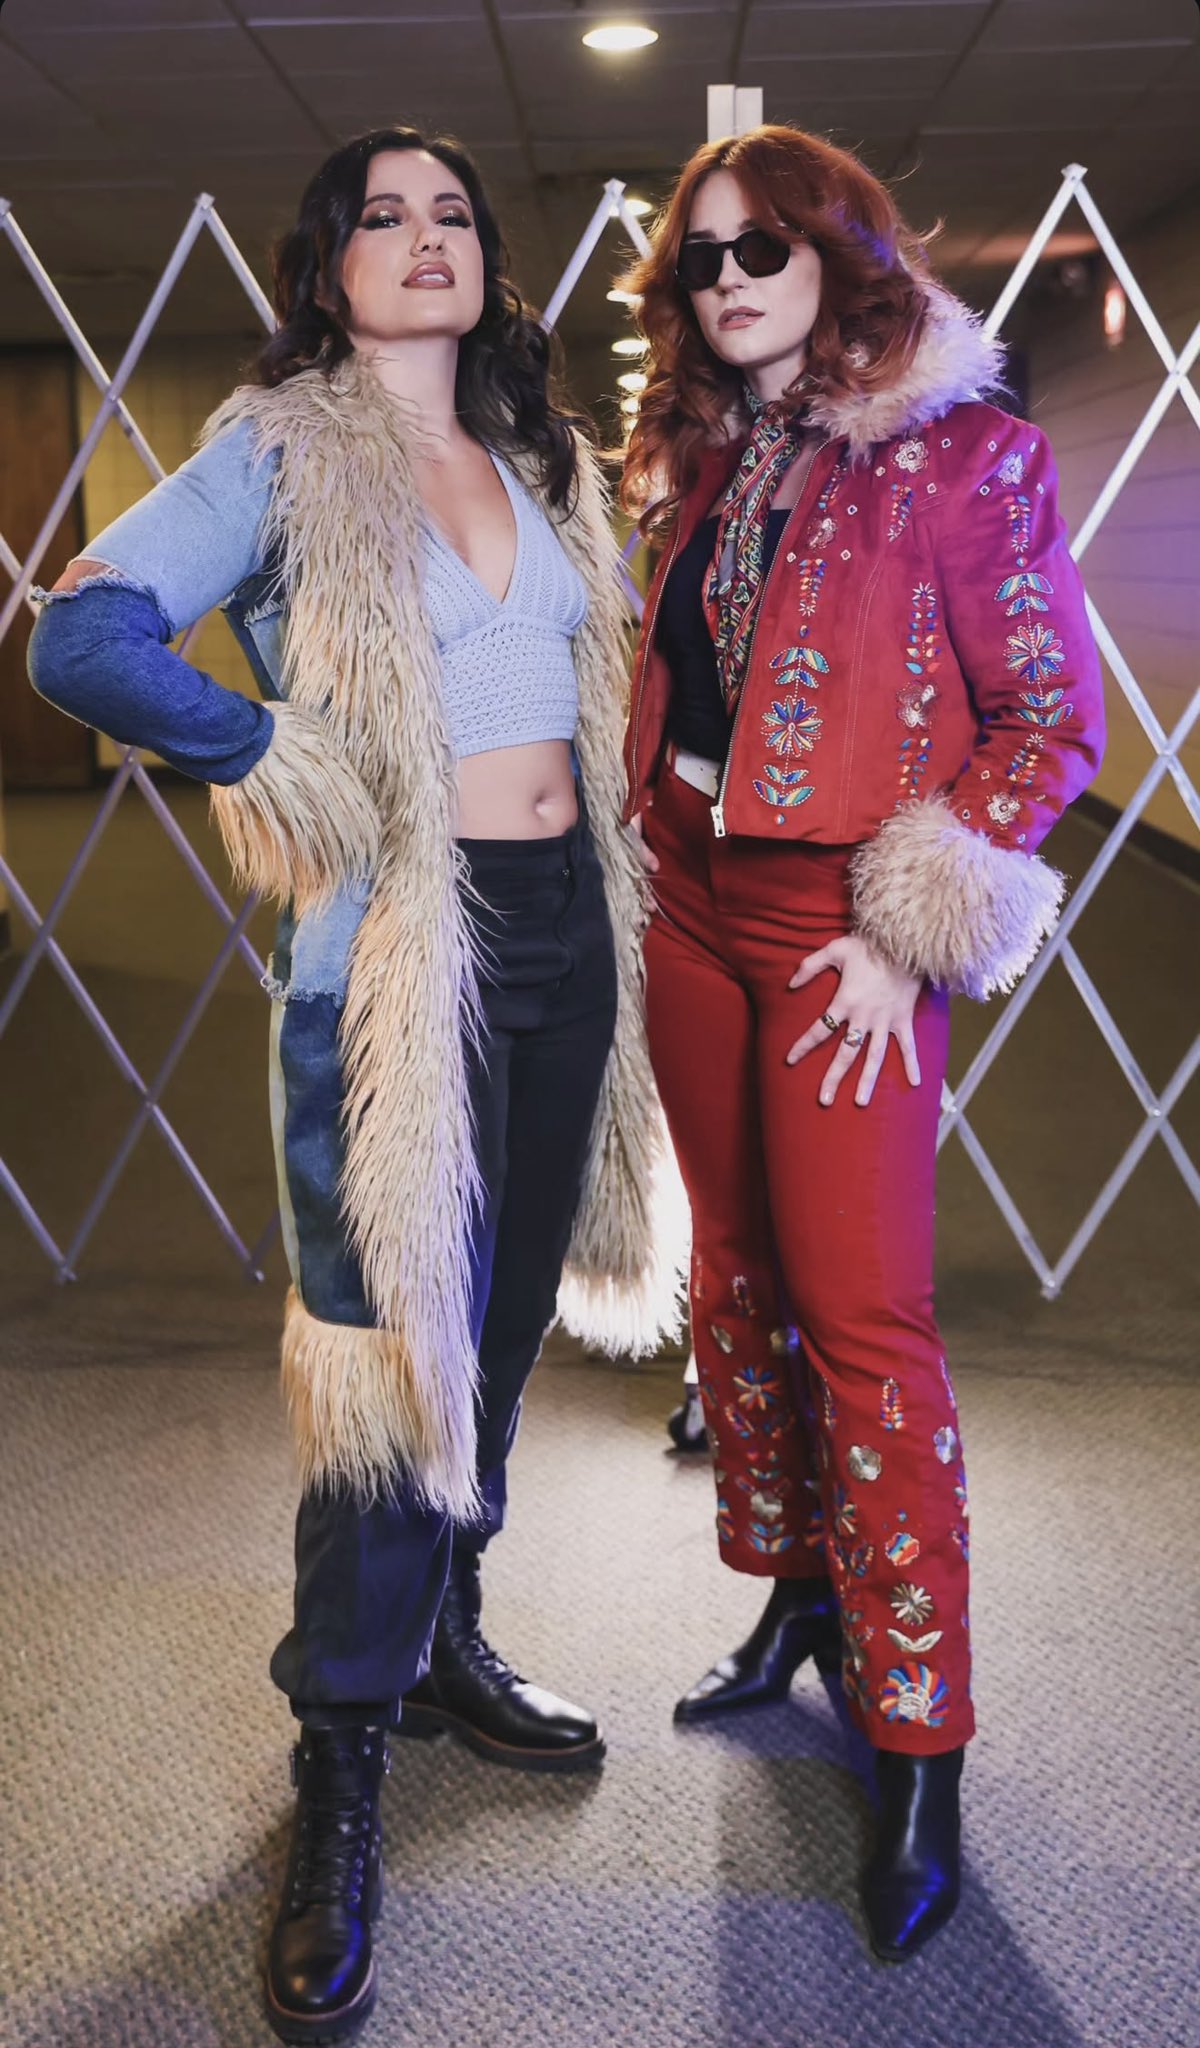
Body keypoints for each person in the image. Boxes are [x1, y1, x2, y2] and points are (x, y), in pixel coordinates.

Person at [29, 126, 678, 2044]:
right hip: (401, 952)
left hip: (566, 935)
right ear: (328, 269)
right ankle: (341, 1757)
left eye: (452, 213)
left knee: (496, 1317)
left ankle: (445, 1637)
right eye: (382, 217)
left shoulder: (546, 459)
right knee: (384, 1361)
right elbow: (81, 634)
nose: (424, 238)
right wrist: (261, 752)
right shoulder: (276, 454)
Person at [620, 124, 1105, 1962]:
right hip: (686, 899)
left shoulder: (969, 453)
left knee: (865, 1320)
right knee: (735, 1273)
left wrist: (913, 926)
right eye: (701, 260)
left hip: (843, 933)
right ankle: (802, 1597)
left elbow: (1049, 719)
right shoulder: (699, 455)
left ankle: (919, 1735)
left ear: (841, 252)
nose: (727, 282)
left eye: (761, 247)